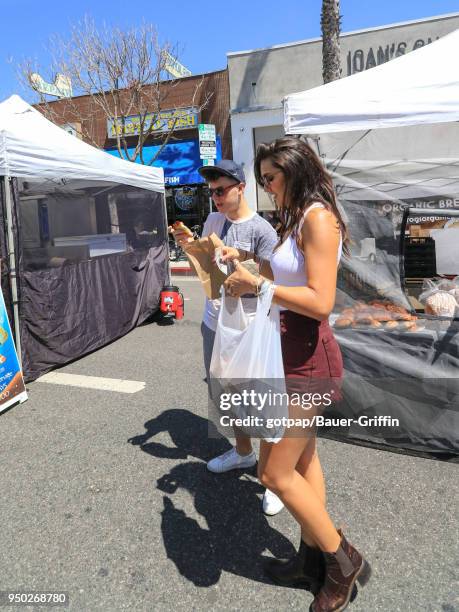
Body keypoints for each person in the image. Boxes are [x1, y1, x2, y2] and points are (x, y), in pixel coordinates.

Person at [221, 138, 371, 612]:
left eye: (270, 178)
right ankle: (311, 559)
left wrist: (260, 283)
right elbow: (280, 276)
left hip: (310, 364)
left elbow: (322, 300)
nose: (265, 187)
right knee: (304, 464)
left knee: (273, 471)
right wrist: (242, 264)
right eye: (262, 179)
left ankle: (343, 562)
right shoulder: (295, 218)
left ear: (294, 170)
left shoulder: (319, 219)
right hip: (284, 358)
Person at [172, 159, 284, 516]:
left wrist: (245, 258)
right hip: (215, 320)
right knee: (224, 390)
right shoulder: (213, 221)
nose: (216, 198)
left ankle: (273, 477)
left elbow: (271, 280)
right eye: (211, 192)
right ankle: (242, 452)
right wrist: (191, 247)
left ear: (240, 187)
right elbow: (207, 272)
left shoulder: (263, 231)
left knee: (261, 396)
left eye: (221, 190)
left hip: (251, 324)